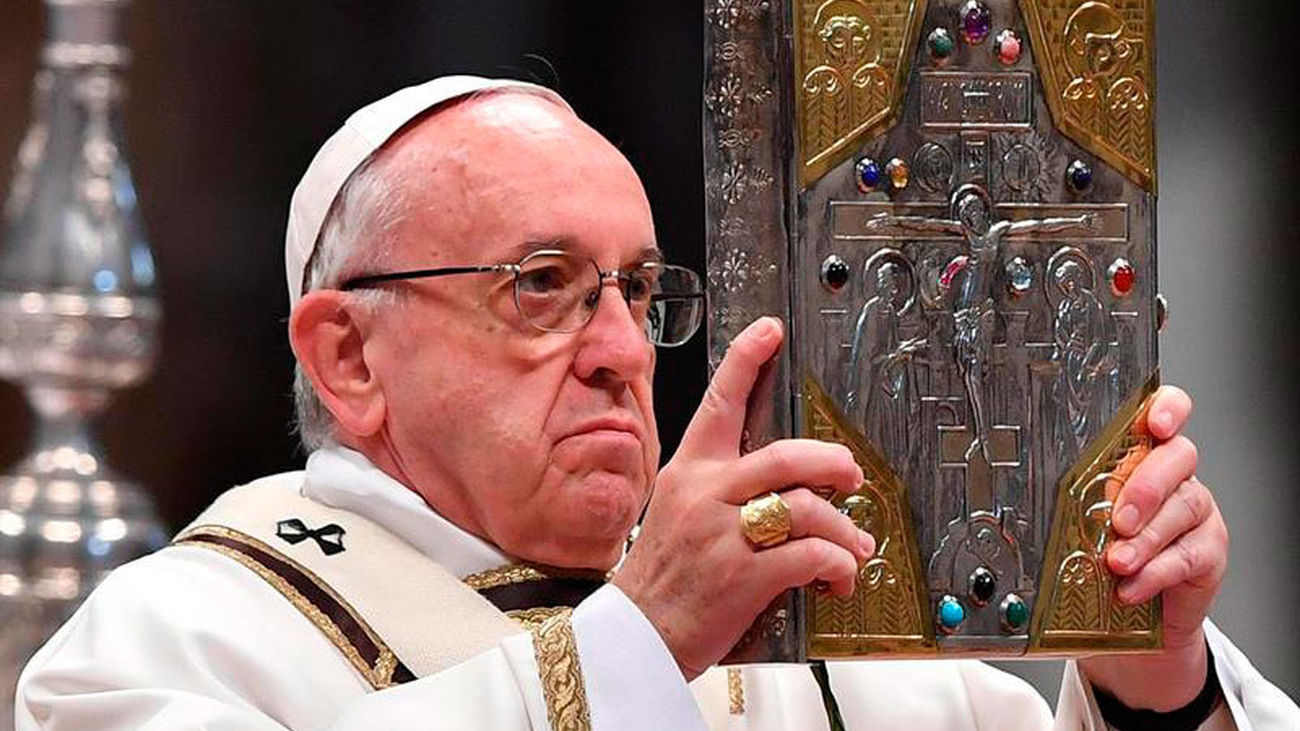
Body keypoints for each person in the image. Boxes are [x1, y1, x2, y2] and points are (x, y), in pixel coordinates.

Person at [15, 76, 1298, 731]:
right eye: (545, 286)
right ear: (348, 356)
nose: (623, 346)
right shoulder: (176, 639)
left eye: (638, 288)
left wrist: (1155, 689)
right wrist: (635, 645)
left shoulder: (833, 641)